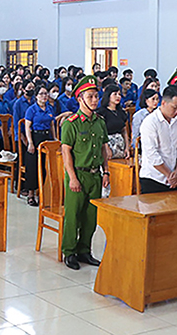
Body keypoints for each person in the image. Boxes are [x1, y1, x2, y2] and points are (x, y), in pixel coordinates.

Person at [60, 75, 110, 271]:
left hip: (95, 175)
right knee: (73, 216)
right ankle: (69, 251)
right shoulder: (71, 123)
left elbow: (105, 149)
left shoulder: (99, 121)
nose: (94, 100)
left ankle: (84, 250)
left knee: (91, 217)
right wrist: (72, 177)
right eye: (90, 97)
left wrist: (106, 172)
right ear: (80, 98)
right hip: (78, 174)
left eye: (96, 96)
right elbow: (66, 152)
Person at [138, 85, 177, 194]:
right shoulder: (150, 122)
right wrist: (169, 175)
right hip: (153, 179)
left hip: (174, 178)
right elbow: (152, 154)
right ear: (164, 103)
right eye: (175, 107)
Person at [23, 85, 55, 207]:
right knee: (33, 166)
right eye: (41, 94)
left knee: (47, 166)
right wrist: (30, 142)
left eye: (46, 93)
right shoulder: (31, 110)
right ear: (36, 96)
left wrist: (55, 138)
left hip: (47, 137)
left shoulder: (50, 108)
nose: (44, 96)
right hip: (36, 138)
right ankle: (31, 195)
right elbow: (27, 127)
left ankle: (44, 193)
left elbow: (52, 125)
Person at [97, 84, 130, 159]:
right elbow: (100, 133)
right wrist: (106, 148)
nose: (118, 96)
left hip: (120, 146)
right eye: (115, 94)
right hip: (108, 146)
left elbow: (124, 131)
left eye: (119, 94)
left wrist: (127, 148)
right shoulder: (101, 112)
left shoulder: (121, 112)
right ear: (108, 95)